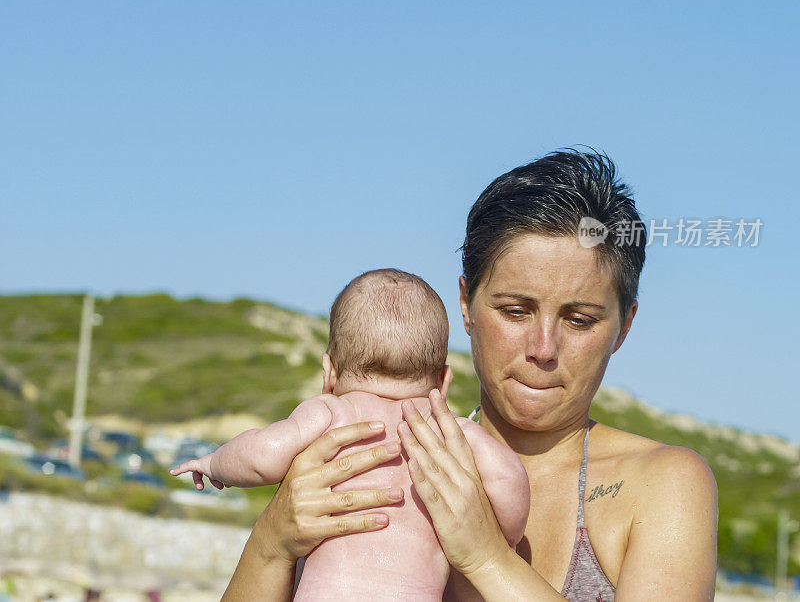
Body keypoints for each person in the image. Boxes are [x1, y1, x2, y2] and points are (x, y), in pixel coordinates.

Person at [222, 149, 718, 602]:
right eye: (516, 311)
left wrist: (486, 558)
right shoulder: (363, 455)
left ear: (624, 325)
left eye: (579, 319)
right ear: (465, 304)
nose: (543, 349)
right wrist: (271, 543)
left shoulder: (662, 484)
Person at [172, 268, 529, 601]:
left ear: (329, 371)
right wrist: (503, 543)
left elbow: (263, 454)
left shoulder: (331, 412)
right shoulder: (452, 435)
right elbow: (509, 479)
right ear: (444, 381)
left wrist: (215, 462)